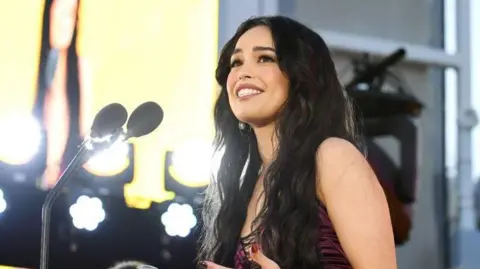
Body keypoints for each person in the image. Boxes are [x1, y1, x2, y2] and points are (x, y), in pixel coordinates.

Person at [197, 16, 397, 269]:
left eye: (265, 58)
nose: (243, 72)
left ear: (302, 74)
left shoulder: (333, 157)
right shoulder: (246, 182)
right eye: (235, 62)